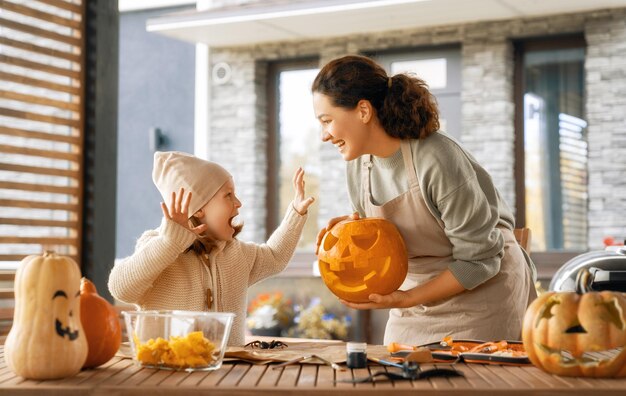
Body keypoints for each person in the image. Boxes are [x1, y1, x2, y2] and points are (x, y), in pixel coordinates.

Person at [312, 55, 537, 346]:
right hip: (415, 299)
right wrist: (354, 231)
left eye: (327, 121)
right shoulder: (359, 165)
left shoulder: (436, 158)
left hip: (482, 293)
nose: (323, 136)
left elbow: (480, 260)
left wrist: (407, 298)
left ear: (364, 110)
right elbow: (393, 239)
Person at [109, 151, 314, 346]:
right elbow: (121, 288)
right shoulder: (157, 248)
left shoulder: (237, 254)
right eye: (228, 195)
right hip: (165, 372)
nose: (238, 203)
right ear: (198, 208)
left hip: (226, 371)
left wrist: (295, 213)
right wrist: (169, 243)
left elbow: (274, 257)